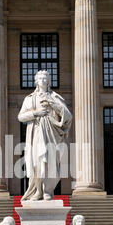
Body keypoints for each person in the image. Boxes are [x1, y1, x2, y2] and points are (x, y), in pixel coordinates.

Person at [18, 70, 72, 201]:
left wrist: (52, 103)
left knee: (51, 163)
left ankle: (48, 190)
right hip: (36, 133)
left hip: (52, 134)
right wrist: (36, 113)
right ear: (36, 81)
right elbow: (20, 117)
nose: (42, 80)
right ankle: (37, 191)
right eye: (40, 78)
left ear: (48, 81)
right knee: (36, 163)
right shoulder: (29, 98)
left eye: (45, 78)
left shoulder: (55, 97)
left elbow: (68, 116)